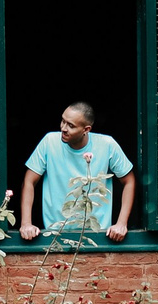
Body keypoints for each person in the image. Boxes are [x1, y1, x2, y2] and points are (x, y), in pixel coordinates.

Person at [19, 101, 134, 242]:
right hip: (55, 232)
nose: (63, 128)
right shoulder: (49, 141)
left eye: (71, 125)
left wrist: (121, 223)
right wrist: (26, 224)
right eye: (63, 121)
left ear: (86, 129)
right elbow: (29, 181)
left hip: (98, 234)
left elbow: (129, 181)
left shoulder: (107, 144)